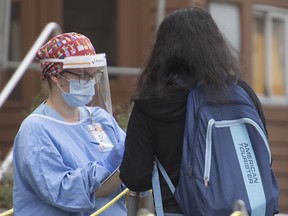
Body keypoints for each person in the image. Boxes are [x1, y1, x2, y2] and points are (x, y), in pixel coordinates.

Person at [119, 7, 269, 215]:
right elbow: (263, 156)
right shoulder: (241, 92)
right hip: (247, 208)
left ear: (163, 50)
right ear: (216, 45)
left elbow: (135, 177)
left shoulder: (153, 103)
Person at [13, 32, 127, 216]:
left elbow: (134, 178)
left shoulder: (100, 118)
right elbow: (62, 191)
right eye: (82, 75)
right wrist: (106, 167)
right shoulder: (35, 129)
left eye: (93, 75)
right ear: (56, 76)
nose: (90, 82)